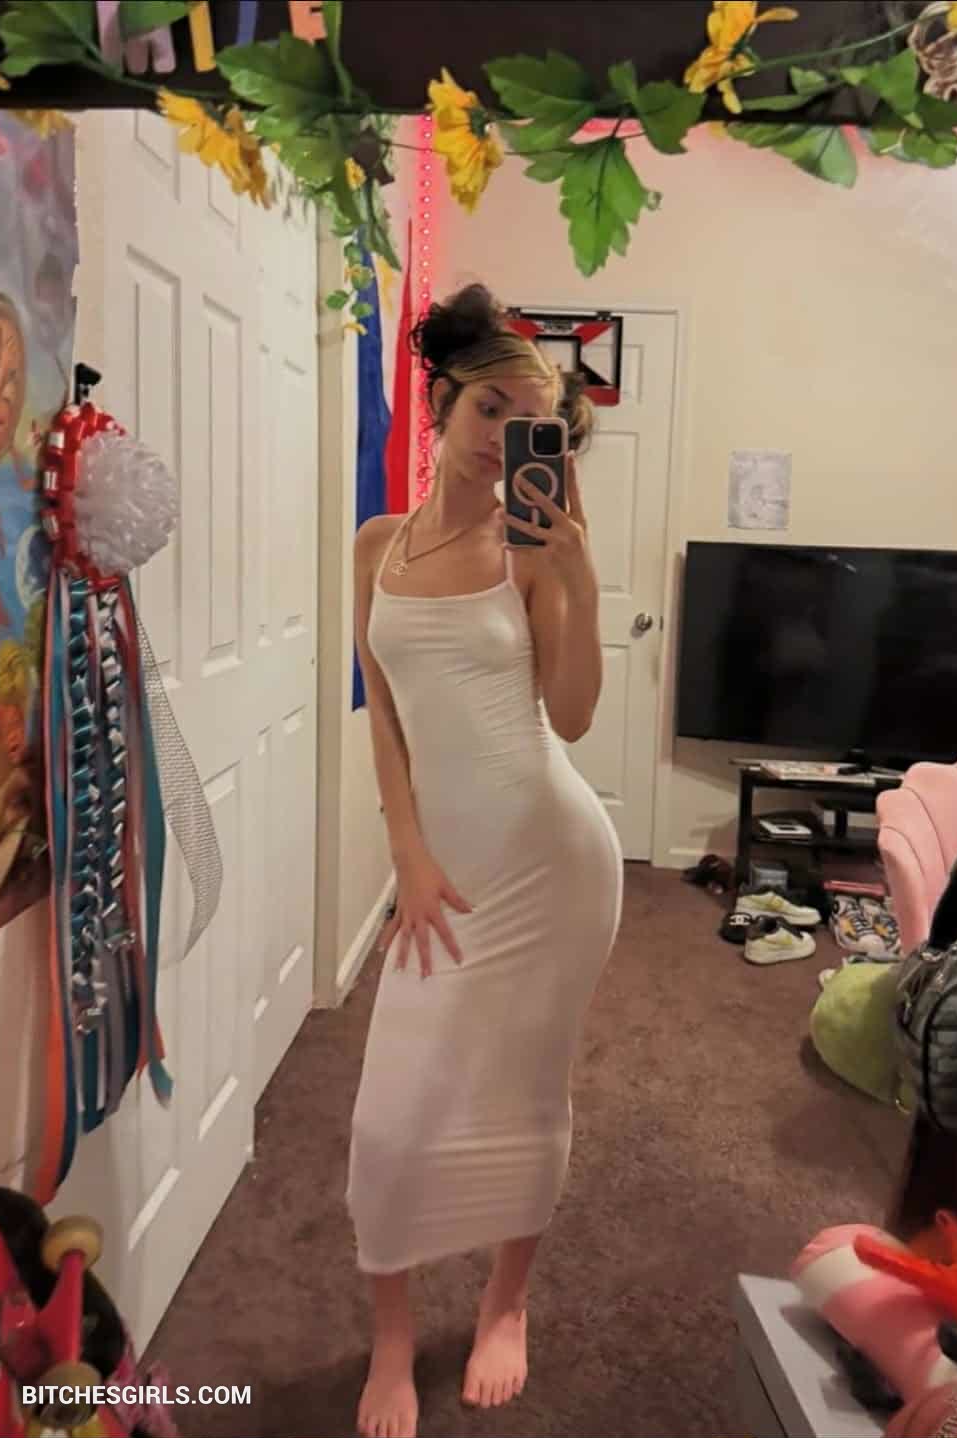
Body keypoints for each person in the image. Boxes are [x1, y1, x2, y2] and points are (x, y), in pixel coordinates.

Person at [346, 284, 623, 1438]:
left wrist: (578, 579)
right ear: (443, 404)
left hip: (552, 865)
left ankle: (507, 1301)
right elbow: (384, 711)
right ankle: (392, 1338)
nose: (506, 431)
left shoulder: (531, 553)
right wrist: (404, 850)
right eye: (490, 407)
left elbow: (573, 717)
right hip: (442, 869)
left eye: (532, 419)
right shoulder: (375, 546)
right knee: (389, 1121)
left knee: (524, 1089)